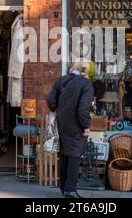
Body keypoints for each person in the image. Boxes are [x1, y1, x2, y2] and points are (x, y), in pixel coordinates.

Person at [46, 62, 94, 198]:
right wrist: (86, 126)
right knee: (74, 155)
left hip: (62, 123)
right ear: (84, 71)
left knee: (64, 154)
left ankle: (64, 187)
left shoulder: (61, 80)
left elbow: (51, 101)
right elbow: (83, 109)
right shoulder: (85, 84)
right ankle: (71, 190)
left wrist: (60, 109)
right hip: (76, 125)